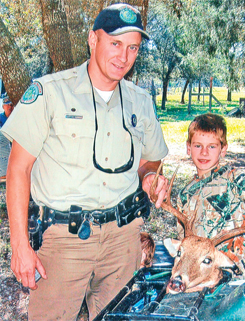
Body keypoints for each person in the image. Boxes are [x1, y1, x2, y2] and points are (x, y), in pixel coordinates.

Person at [1, 3, 169, 320]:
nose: (124, 56)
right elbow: (18, 169)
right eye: (115, 43)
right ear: (93, 40)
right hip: (64, 240)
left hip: (123, 239)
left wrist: (149, 175)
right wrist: (21, 245)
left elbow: (151, 160)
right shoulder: (49, 93)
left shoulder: (140, 101)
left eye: (133, 48)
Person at [176, 113, 245, 278]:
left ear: (223, 150)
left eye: (212, 146)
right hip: (199, 276)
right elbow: (185, 243)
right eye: (198, 146)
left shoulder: (234, 179)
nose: (204, 152)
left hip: (234, 273)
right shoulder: (184, 194)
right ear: (188, 148)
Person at [0, 94, 14, 179]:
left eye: (11, 104)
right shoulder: (1, 118)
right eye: (7, 104)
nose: (9, 107)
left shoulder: (16, 117)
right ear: (3, 106)